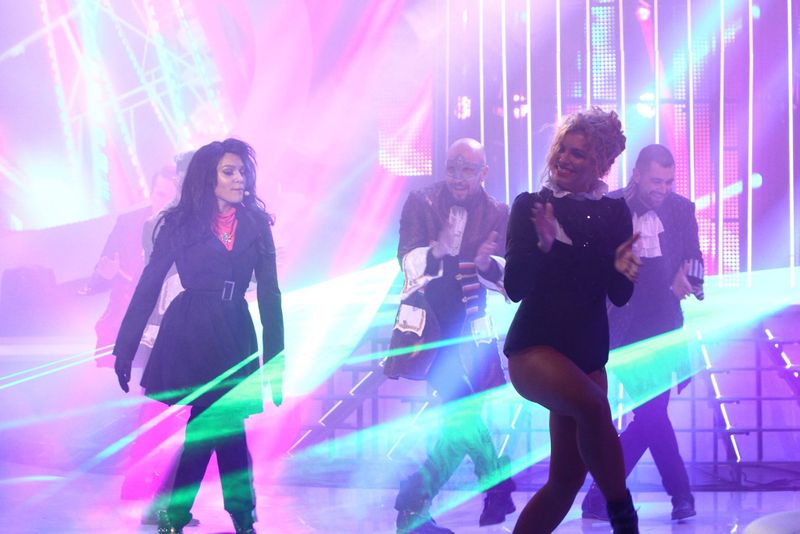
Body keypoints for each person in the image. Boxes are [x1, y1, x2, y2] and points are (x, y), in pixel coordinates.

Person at [113, 138, 285, 534]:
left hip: (235, 331)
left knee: (218, 423)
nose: (239, 179)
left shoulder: (257, 224)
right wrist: (125, 347)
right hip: (191, 330)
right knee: (219, 420)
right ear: (209, 178)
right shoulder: (179, 223)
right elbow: (148, 285)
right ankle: (238, 516)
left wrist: (276, 358)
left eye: (242, 171)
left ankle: (181, 515)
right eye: (229, 171)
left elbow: (270, 293)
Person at [503, 107, 641, 534]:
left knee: (566, 481)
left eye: (577, 153)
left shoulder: (614, 212)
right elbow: (515, 287)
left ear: (599, 163)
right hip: (535, 348)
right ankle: (625, 520)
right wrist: (543, 247)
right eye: (562, 148)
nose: (564, 158)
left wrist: (623, 270)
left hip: (587, 355)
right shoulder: (531, 205)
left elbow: (619, 296)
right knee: (595, 405)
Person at [384, 138, 515, 534]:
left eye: (467, 169)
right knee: (463, 416)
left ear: (483, 172)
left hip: (473, 327)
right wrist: (436, 252)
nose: (458, 177)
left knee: (459, 422)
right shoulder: (421, 201)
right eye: (452, 168)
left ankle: (414, 505)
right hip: (432, 327)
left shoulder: (498, 212)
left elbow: (508, 277)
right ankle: (494, 482)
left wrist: (486, 263)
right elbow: (405, 260)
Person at [581, 144, 703, 522]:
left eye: (668, 181)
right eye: (655, 181)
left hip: (666, 328)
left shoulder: (682, 209)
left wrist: (689, 278)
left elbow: (695, 258)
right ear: (636, 174)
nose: (662, 189)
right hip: (624, 330)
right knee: (652, 414)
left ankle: (598, 498)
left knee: (651, 417)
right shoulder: (611, 207)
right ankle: (680, 494)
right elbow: (592, 266)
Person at [82, 167, 179, 367]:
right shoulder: (128, 224)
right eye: (161, 194)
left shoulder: (190, 229)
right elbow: (98, 276)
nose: (166, 203)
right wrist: (106, 275)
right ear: (151, 193)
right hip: (124, 321)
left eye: (173, 197)